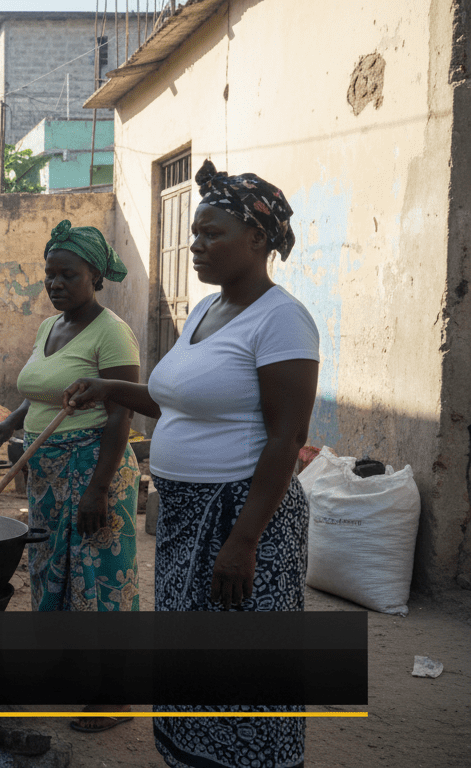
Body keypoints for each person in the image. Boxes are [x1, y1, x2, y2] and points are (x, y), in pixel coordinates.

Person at [64, 160, 318, 768]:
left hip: (240, 519)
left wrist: (244, 541)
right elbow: (171, 398)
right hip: (183, 518)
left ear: (257, 239)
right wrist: (109, 389)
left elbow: (287, 440)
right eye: (195, 232)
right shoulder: (207, 312)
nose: (195, 245)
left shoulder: (282, 319)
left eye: (212, 234)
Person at [0, 220, 142, 733]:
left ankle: (114, 695)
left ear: (94, 276)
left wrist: (97, 488)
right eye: (49, 275)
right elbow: (42, 389)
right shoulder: (48, 327)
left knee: (101, 581)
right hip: (47, 472)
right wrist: (9, 422)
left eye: (66, 275)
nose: (54, 284)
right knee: (56, 574)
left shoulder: (112, 332)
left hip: (95, 470)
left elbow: (121, 414)